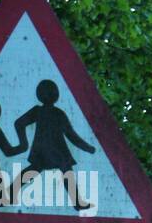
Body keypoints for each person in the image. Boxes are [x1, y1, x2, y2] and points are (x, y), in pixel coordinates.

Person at [10, 79, 97, 211]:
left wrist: (23, 142)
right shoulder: (56, 113)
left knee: (36, 169)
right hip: (57, 151)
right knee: (64, 170)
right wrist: (88, 148)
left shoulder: (44, 112)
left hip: (44, 150)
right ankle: (10, 192)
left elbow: (19, 124)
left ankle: (10, 192)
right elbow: (71, 135)